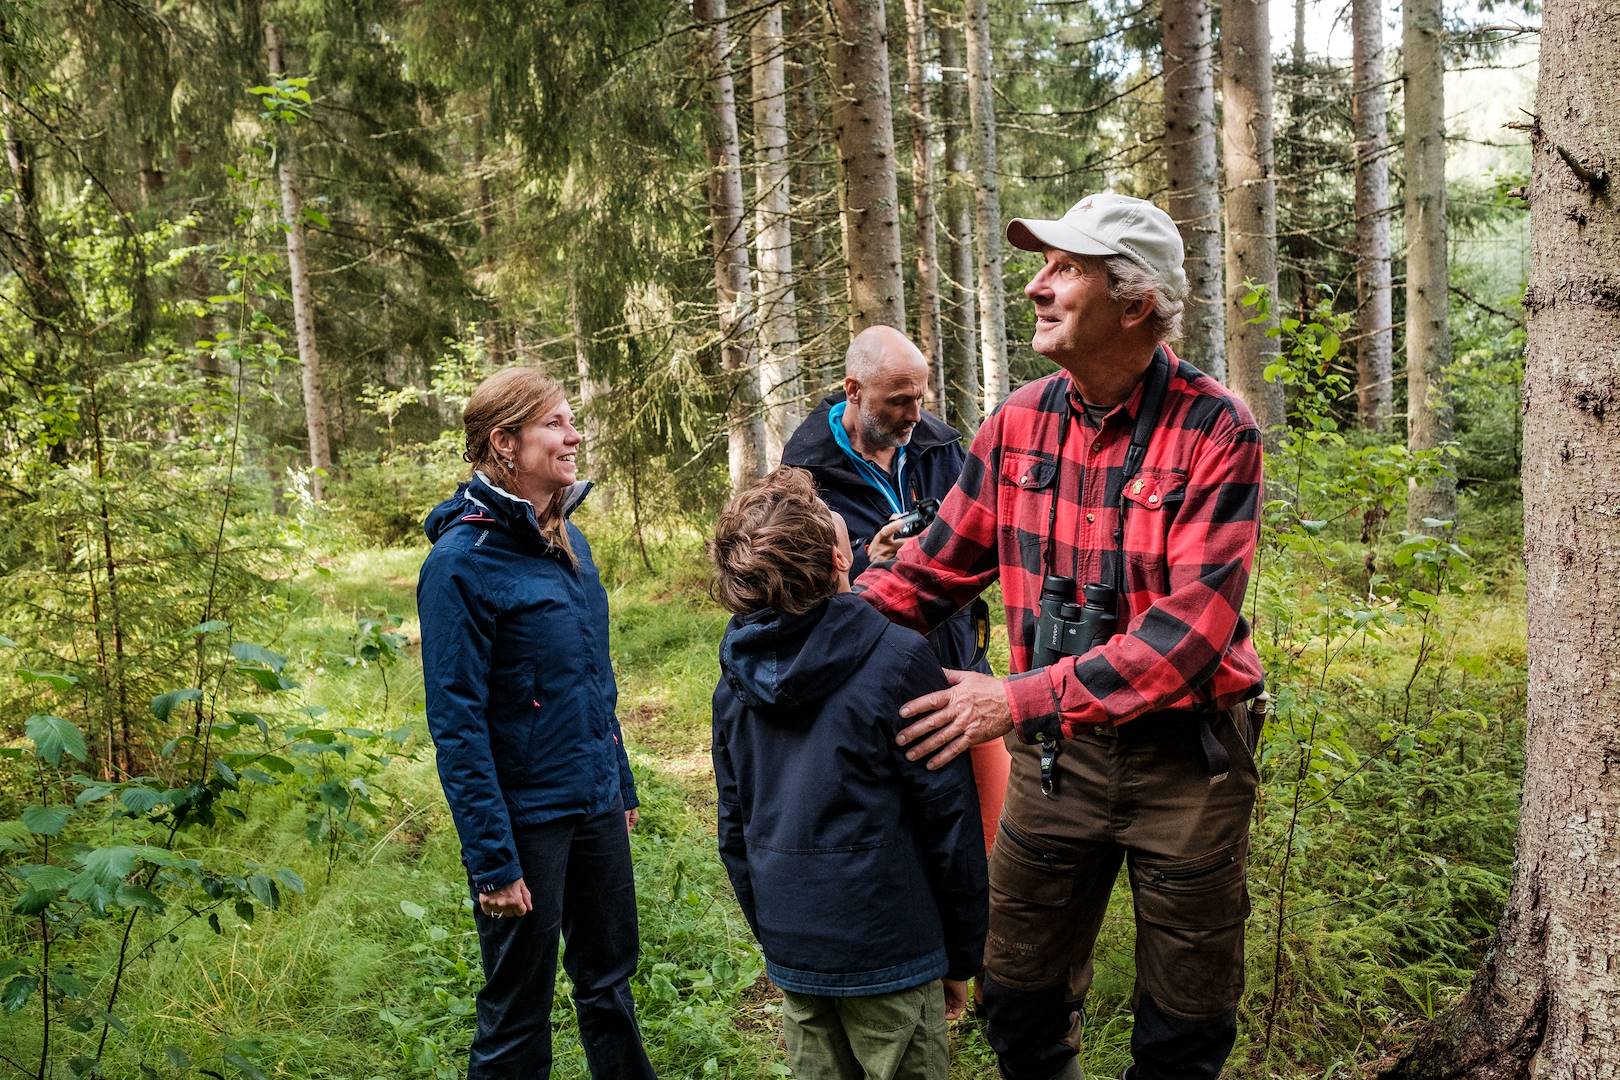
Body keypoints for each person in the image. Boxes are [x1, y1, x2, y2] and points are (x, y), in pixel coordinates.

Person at [852, 193, 1267, 1080]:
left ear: (1135, 301)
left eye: (1066, 269)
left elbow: (1188, 636)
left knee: (1185, 1031)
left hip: (1186, 764)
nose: (1036, 287)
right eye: (1042, 266)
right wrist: (812, 631)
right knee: (1016, 999)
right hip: (1055, 760)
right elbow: (928, 572)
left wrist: (1016, 699)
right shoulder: (1018, 422)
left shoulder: (1217, 429)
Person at [708, 466, 988, 1080]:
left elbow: (734, 829)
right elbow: (950, 820)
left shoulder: (733, 682)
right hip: (892, 948)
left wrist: (776, 936)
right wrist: (962, 955)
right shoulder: (901, 660)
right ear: (841, 559)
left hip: (795, 945)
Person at [417, 367, 656, 1080]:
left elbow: (593, 681)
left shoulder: (569, 541)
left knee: (610, 981)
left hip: (592, 802)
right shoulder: (460, 564)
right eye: (555, 423)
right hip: (524, 820)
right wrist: (493, 858)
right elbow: (456, 724)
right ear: (504, 442)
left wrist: (619, 784)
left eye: (571, 420)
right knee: (518, 1007)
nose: (574, 436)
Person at [781, 324, 1011, 853]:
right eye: (898, 401)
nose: (913, 414)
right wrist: (869, 558)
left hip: (958, 663)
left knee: (995, 825)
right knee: (911, 835)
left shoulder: (941, 446)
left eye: (920, 398)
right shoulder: (804, 473)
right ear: (854, 391)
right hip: (870, 682)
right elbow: (795, 586)